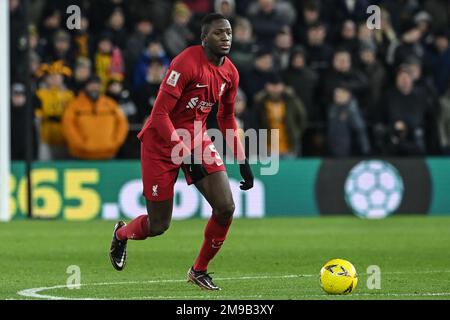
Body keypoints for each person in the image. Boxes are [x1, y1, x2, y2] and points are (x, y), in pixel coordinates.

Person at [109, 13, 254, 291]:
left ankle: (199, 270)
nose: (225, 38)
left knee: (226, 208)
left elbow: (225, 118)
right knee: (159, 225)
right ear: (204, 38)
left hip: (197, 139)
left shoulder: (230, 73)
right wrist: (183, 152)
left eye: (228, 33)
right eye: (218, 33)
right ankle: (122, 233)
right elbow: (160, 113)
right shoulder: (185, 63)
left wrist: (242, 159)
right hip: (161, 142)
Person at [62, 76, 129, 160]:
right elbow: (68, 126)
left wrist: (115, 142)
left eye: (97, 86)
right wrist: (79, 144)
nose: (94, 88)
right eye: (91, 85)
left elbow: (122, 123)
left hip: (108, 154)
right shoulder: (74, 105)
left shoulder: (111, 104)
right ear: (85, 87)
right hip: (81, 156)